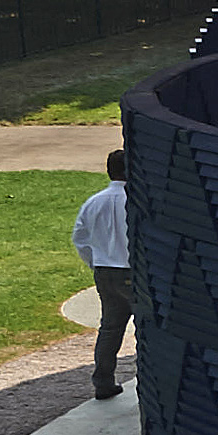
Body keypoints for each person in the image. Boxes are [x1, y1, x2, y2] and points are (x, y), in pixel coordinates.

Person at [75, 149, 137, 400]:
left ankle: (103, 381)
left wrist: (95, 262)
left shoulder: (94, 202)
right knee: (148, 326)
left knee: (110, 328)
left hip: (104, 271)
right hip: (132, 271)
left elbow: (80, 238)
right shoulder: (134, 201)